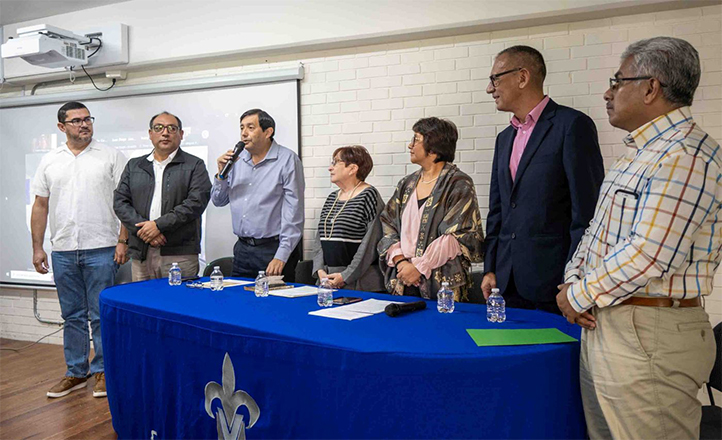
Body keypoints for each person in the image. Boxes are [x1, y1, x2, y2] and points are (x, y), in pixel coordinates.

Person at [557, 37, 718, 439]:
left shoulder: (685, 154)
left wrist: (576, 295)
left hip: (649, 331)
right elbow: (597, 233)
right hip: (611, 321)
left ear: (651, 88)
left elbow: (650, 254)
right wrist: (573, 282)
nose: (608, 92)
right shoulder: (639, 153)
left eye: (618, 80)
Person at [482, 45, 604, 314]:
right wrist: (490, 266)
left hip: (555, 284)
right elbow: (499, 209)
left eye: (495, 79)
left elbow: (587, 212)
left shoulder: (572, 126)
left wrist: (576, 279)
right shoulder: (504, 139)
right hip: (506, 282)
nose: (490, 89)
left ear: (522, 77)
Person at [30, 101, 128, 398]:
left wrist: (123, 240)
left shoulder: (110, 156)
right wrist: (37, 248)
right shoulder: (49, 160)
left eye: (87, 119)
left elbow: (126, 203)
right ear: (62, 127)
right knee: (72, 314)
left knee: (100, 314)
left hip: (103, 247)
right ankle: (75, 371)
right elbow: (41, 205)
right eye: (76, 121)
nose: (83, 124)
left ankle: (101, 371)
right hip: (63, 250)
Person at [378, 117, 484, 301]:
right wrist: (401, 261)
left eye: (416, 140)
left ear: (434, 149)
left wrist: (419, 267)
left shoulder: (458, 183)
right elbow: (388, 222)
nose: (410, 145)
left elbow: (458, 235)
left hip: (443, 281)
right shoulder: (406, 183)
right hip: (403, 276)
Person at [114, 111, 211, 281]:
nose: (165, 133)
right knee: (142, 304)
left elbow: (196, 203)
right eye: (158, 128)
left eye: (171, 128)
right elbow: (120, 202)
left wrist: (158, 226)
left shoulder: (194, 164)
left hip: (180, 254)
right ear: (150, 134)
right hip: (141, 253)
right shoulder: (134, 165)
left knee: (178, 304)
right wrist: (144, 231)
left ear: (181, 135)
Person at [211, 109, 304, 281]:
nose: (244, 133)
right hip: (242, 249)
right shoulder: (236, 160)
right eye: (241, 128)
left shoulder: (287, 160)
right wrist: (220, 175)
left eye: (250, 127)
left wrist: (281, 255)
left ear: (268, 132)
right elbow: (218, 200)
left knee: (274, 305)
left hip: (273, 249)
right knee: (240, 302)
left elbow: (294, 212)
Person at [312, 145, 385, 292]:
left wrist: (346, 276)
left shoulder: (369, 195)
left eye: (335, 162)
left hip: (359, 282)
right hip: (327, 280)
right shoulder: (332, 197)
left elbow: (370, 245)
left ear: (352, 169)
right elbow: (320, 239)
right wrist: (320, 270)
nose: (330, 168)